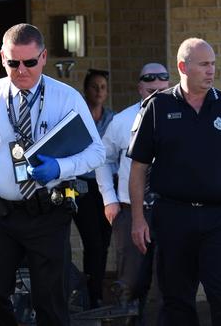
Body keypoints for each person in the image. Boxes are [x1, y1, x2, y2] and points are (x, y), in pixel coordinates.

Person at [0, 23, 105, 326]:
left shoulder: (66, 97)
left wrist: (60, 168)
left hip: (49, 214)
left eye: (30, 62)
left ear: (44, 57)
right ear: (2, 59)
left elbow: (96, 153)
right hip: (2, 216)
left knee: (51, 303)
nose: (21, 70)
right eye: (13, 63)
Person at [127, 38, 221, 326]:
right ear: (183, 67)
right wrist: (137, 218)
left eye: (213, 64)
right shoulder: (157, 107)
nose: (211, 71)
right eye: (204, 64)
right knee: (175, 298)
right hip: (173, 216)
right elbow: (138, 167)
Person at [95, 62, 170, 325]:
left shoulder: (180, 120)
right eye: (150, 90)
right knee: (130, 283)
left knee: (168, 284)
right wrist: (109, 200)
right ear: (140, 88)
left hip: (170, 211)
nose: (155, 95)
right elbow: (102, 158)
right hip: (129, 211)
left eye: (161, 90)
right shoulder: (123, 121)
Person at [73, 68, 115, 309]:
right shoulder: (78, 118)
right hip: (83, 187)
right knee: (93, 242)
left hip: (108, 187)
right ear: (85, 90)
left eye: (103, 87)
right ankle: (92, 295)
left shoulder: (113, 119)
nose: (99, 91)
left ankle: (96, 293)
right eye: (94, 87)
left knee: (104, 242)